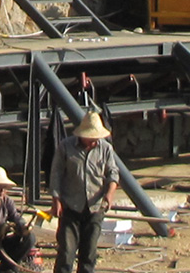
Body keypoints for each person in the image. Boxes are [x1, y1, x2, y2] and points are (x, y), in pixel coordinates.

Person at [49, 111, 119, 273]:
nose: (93, 141)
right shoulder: (65, 147)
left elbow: (113, 173)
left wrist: (109, 194)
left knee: (89, 253)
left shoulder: (105, 149)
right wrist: (56, 199)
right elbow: (56, 173)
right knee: (66, 252)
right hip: (70, 206)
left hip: (95, 207)